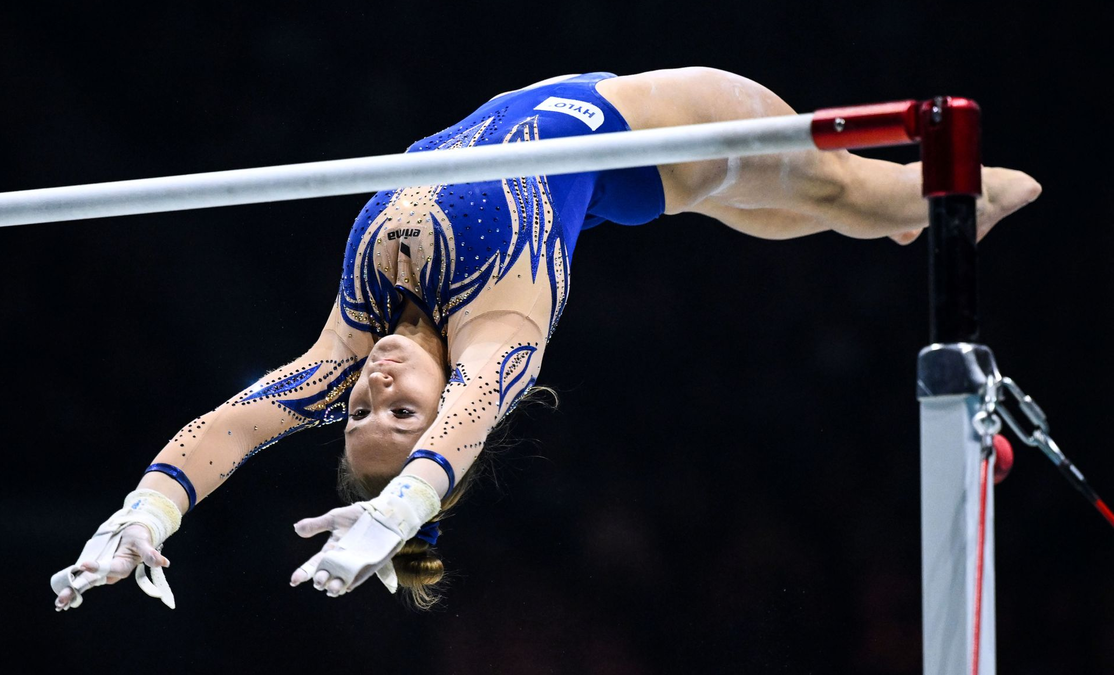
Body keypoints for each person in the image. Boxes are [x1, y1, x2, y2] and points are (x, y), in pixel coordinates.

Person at [51, 67, 1041, 610]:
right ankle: (966, 195)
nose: (378, 383)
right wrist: (401, 509)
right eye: (403, 412)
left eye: (362, 408)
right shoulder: (502, 329)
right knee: (854, 193)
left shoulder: (350, 340)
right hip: (671, 129)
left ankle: (936, 206)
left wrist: (145, 514)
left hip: (622, 171)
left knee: (837, 206)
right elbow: (471, 412)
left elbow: (231, 427)